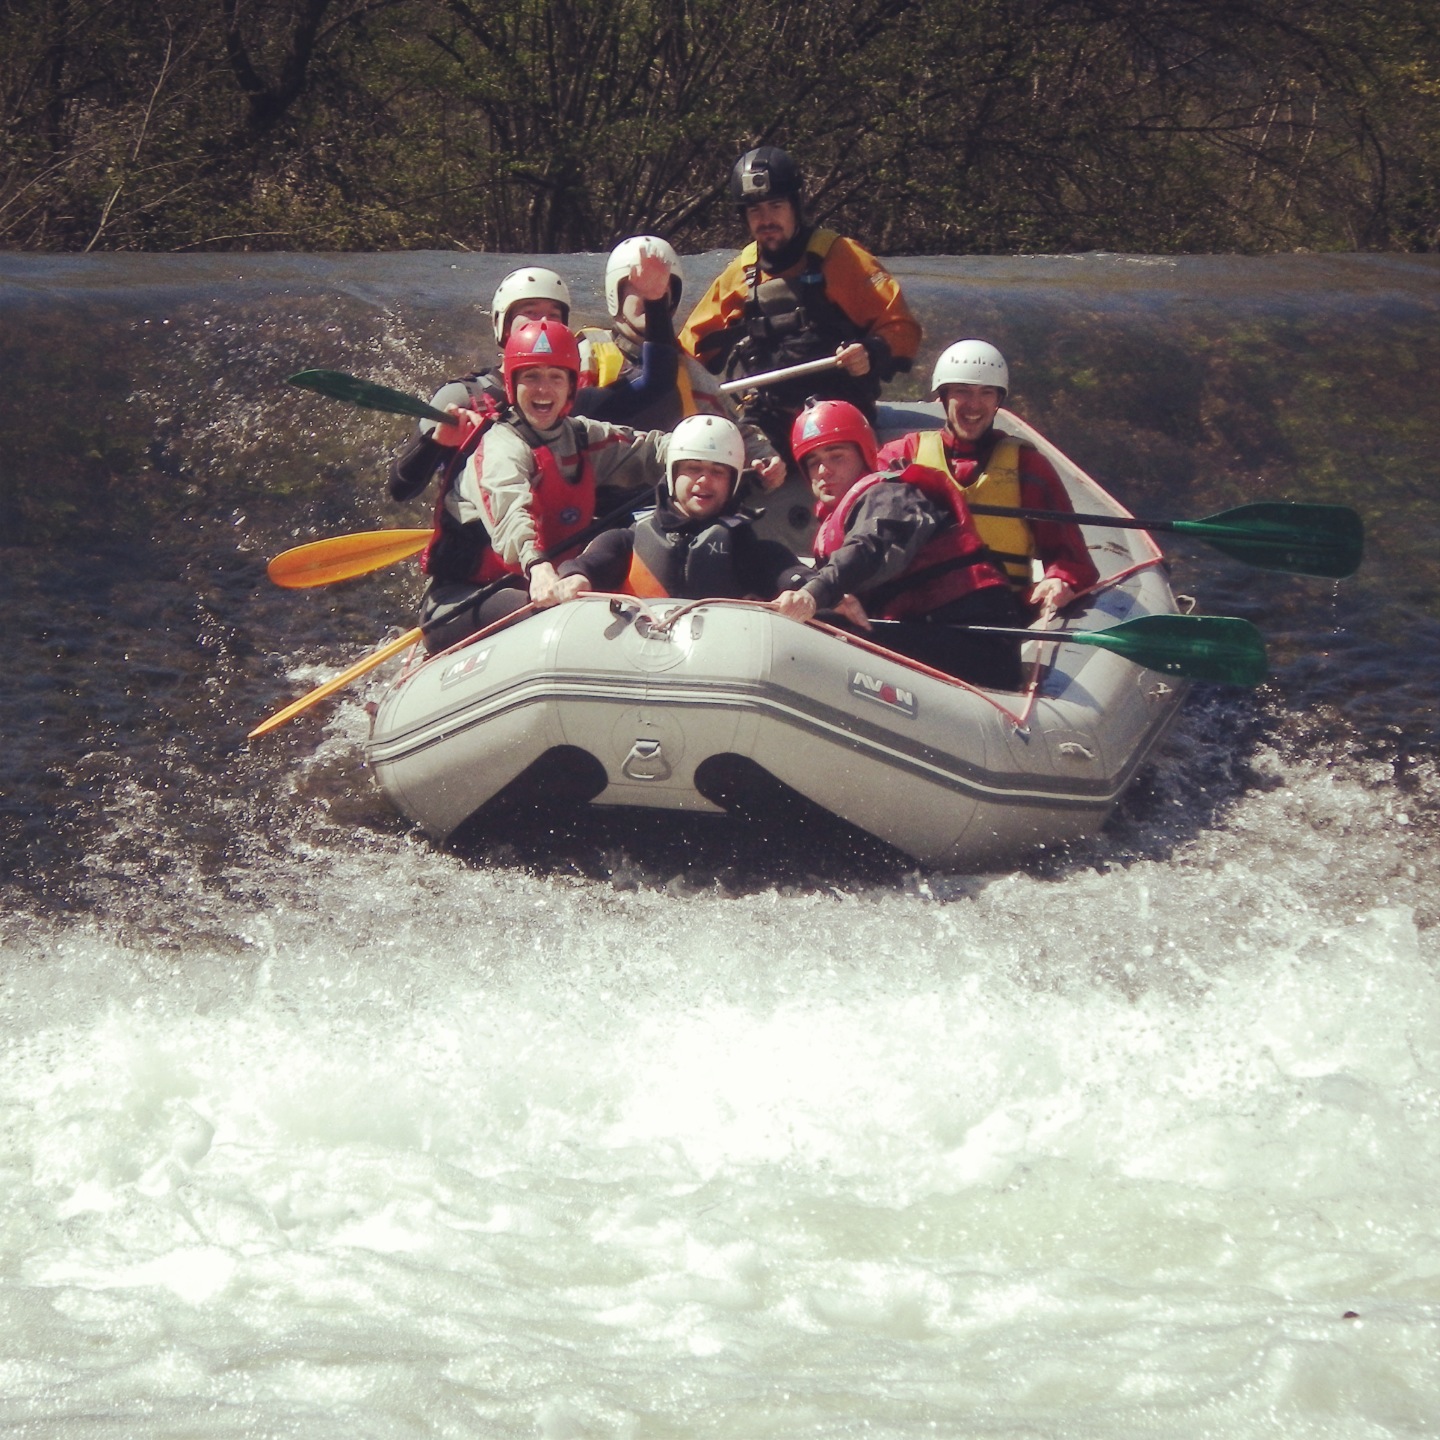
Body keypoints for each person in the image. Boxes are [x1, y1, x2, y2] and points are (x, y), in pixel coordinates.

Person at [418, 318, 677, 653]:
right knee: (556, 617)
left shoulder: (581, 436)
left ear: (571, 386)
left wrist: (713, 454)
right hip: (463, 599)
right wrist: (536, 566)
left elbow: (650, 449)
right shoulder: (499, 447)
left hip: (547, 586)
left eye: (556, 377)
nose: (544, 389)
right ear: (512, 384)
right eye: (531, 376)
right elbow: (509, 508)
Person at [677, 147, 921, 463]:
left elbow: (903, 328)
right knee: (723, 458)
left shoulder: (841, 258)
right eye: (754, 211)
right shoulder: (742, 272)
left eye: (775, 206)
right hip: (770, 415)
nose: (766, 220)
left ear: (794, 206)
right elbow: (689, 350)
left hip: (836, 411)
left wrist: (872, 352)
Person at [771, 400, 1028, 689]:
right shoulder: (839, 520)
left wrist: (814, 594)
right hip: (924, 631)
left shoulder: (891, 495)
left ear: (864, 455)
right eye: (813, 461)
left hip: (975, 642)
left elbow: (871, 547)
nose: (823, 471)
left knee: (833, 635)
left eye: (836, 456)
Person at [388, 258, 679, 504]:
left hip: (552, 557)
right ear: (503, 323)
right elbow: (402, 488)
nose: (543, 323)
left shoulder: (570, 400)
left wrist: (654, 301)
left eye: (554, 315)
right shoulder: (461, 397)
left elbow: (658, 383)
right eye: (530, 312)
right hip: (482, 555)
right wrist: (436, 443)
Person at [876, 340, 1099, 615]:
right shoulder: (901, 455)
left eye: (986, 393)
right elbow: (869, 536)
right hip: (917, 614)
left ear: (998, 400)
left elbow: (1072, 557)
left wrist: (1060, 579)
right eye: (962, 391)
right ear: (943, 397)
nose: (974, 405)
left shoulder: (1028, 466)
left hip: (1000, 615)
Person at [576, 235, 787, 495]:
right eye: (638, 286)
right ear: (614, 293)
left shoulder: (688, 368)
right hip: (601, 500)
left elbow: (733, 429)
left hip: (670, 501)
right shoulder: (586, 353)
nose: (652, 294)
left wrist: (763, 457)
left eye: (662, 287)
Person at [550, 414, 803, 603]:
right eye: (693, 468)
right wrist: (576, 577)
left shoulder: (747, 549)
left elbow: (790, 573)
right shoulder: (627, 540)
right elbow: (590, 564)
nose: (704, 480)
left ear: (733, 481)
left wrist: (804, 592)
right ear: (672, 473)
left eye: (717, 471)